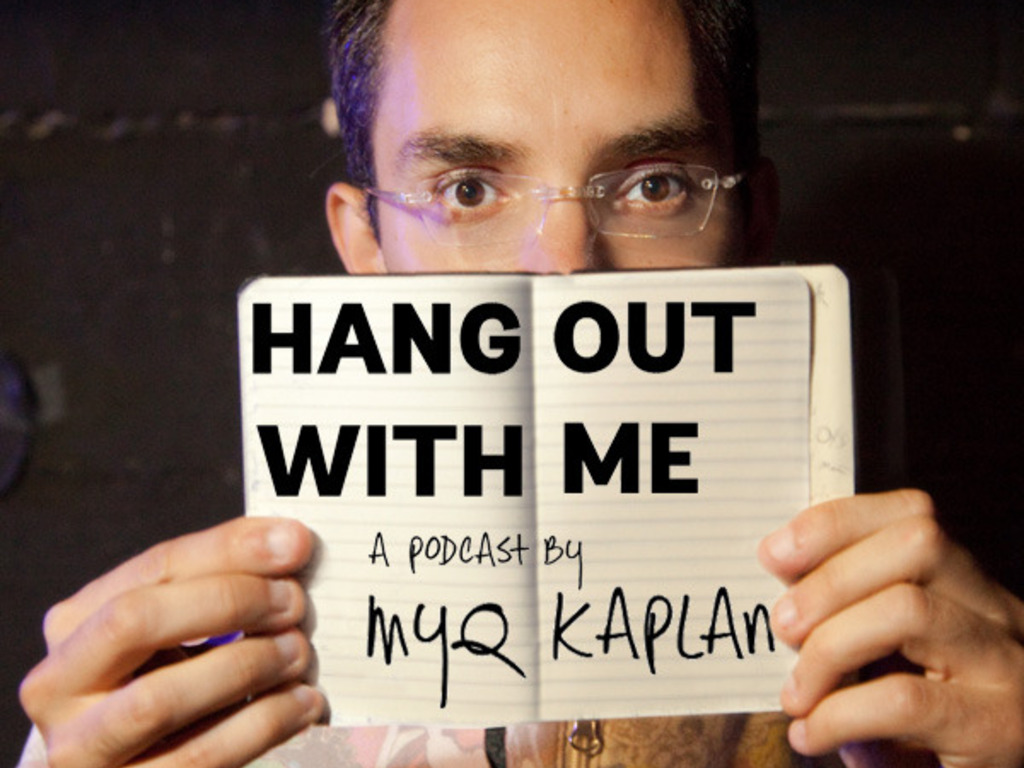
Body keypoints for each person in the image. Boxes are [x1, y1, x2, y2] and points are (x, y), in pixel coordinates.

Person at [17, 1, 1024, 767]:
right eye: (467, 190)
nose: (565, 268)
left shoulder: (931, 693)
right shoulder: (188, 715)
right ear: (364, 244)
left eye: (654, 184)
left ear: (751, 226)